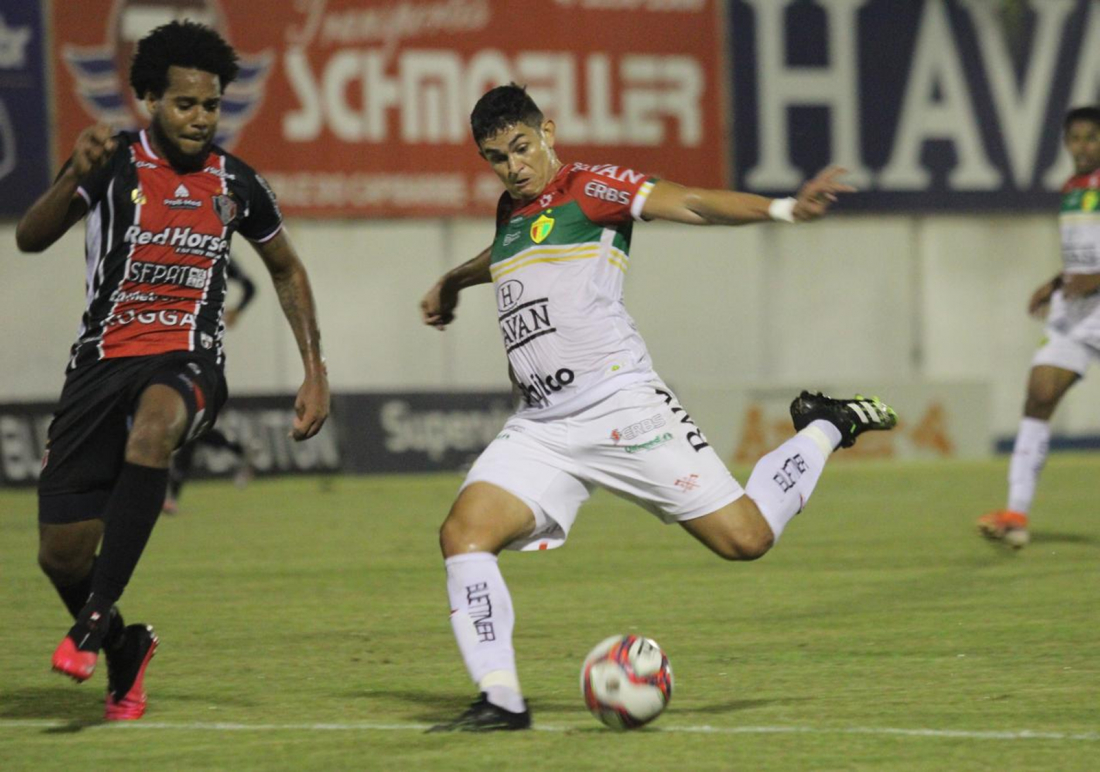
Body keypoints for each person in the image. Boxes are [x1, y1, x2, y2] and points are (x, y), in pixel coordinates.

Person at [419, 84, 898, 732]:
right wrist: (455, 280)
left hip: (621, 405)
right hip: (542, 426)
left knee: (747, 539)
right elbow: (506, 253)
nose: (513, 166)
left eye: (522, 148)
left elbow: (691, 201)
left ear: (548, 132)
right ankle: (501, 700)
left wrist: (785, 209)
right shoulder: (512, 211)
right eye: (496, 157)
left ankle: (825, 425)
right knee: (464, 535)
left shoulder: (592, 188)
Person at [15, 21, 329, 720]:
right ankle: (125, 646)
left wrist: (315, 368)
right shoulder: (110, 162)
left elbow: (287, 270)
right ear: (151, 100)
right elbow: (30, 238)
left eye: (211, 105)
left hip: (189, 360)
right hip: (99, 368)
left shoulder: (236, 183)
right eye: (186, 104)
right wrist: (73, 174)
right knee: (61, 556)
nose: (201, 118)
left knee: (154, 429)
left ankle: (94, 621)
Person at [978, 106, 1100, 549]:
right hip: (1075, 310)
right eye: (1076, 138)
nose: (1083, 146)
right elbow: (1085, 253)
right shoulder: (1072, 188)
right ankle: (1015, 515)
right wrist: (1055, 284)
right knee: (1039, 395)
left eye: (1091, 137)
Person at [163, 258, 257, 515]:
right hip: (170, 344)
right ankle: (239, 450)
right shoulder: (171, 251)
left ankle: (171, 494)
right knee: (191, 423)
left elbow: (250, 287)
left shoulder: (213, 253)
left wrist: (237, 311)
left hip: (199, 350)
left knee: (190, 418)